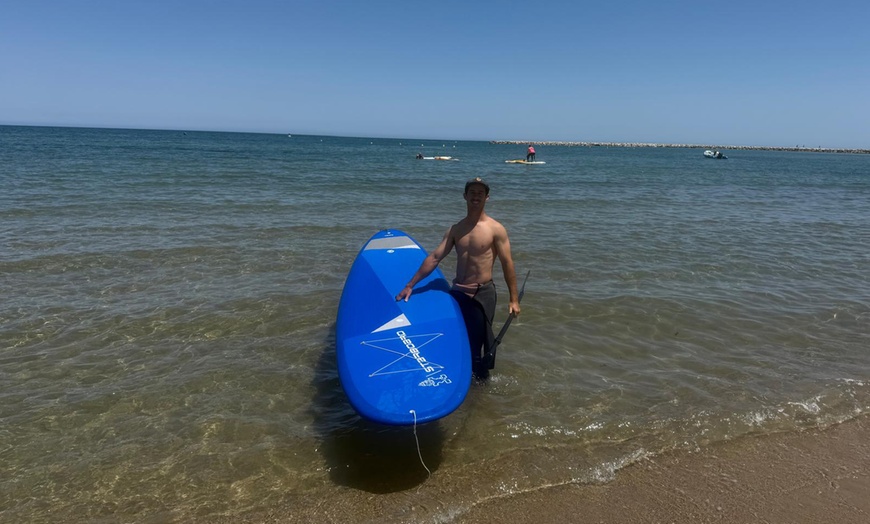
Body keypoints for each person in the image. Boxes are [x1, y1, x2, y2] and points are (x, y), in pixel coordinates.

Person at [395, 177, 520, 380]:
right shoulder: (455, 229)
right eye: (472, 192)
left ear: (487, 197)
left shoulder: (496, 229)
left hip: (482, 293)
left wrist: (513, 299)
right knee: (455, 338)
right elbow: (435, 257)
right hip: (458, 291)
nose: (476, 196)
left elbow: (508, 264)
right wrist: (410, 285)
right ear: (465, 196)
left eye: (480, 193)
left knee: (479, 347)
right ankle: (456, 379)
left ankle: (480, 390)